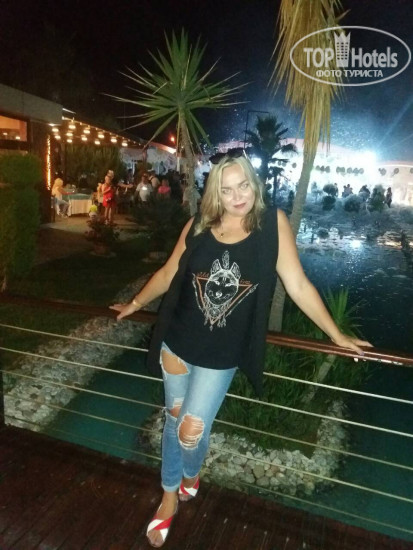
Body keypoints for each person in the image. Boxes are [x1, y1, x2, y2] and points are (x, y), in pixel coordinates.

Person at [110, 149, 371, 548]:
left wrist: (336, 335)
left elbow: (298, 285)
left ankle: (190, 474)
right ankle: (169, 496)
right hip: (176, 342)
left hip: (221, 354)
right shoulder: (199, 225)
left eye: (243, 185)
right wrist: (135, 303)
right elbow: (167, 273)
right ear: (215, 191)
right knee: (174, 421)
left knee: (191, 431)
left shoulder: (272, 225)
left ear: (254, 184)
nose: (237, 196)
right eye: (227, 189)